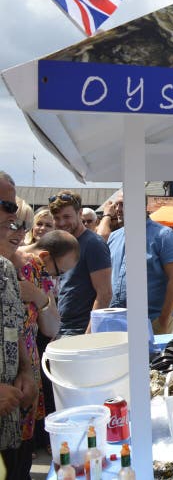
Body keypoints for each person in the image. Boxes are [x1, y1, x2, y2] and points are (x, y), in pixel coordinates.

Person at [14, 229, 79, 471]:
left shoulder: (34, 270)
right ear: (44, 255)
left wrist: (40, 298)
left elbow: (51, 326)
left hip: (26, 362)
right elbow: (51, 325)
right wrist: (43, 299)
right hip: (21, 366)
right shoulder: (31, 266)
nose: (57, 278)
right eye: (59, 272)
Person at [0, 171, 37, 479]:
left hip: (8, 429)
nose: (13, 215)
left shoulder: (6, 270)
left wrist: (25, 369)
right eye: (5, 205)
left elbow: (13, 331)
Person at [107, 197, 173, 335]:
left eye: (123, 205)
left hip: (152, 320)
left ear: (142, 207)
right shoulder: (114, 237)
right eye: (117, 205)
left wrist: (163, 319)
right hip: (117, 321)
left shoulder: (164, 235)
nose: (118, 209)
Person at [49, 190, 112, 336]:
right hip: (63, 327)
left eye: (66, 216)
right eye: (57, 218)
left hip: (80, 329)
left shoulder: (93, 244)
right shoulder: (65, 243)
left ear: (80, 213)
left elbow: (104, 295)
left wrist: (88, 336)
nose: (61, 222)